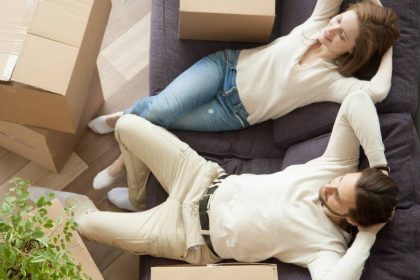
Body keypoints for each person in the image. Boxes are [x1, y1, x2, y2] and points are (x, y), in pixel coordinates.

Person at [29, 91, 398, 280]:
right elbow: (356, 100)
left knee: (88, 225)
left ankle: (115, 209)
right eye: (341, 181)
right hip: (201, 177)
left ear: (352, 221)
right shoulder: (334, 167)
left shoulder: (326, 248)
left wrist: (368, 236)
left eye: (338, 197)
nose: (329, 188)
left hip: (189, 234)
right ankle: (138, 197)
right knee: (126, 124)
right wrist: (378, 164)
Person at [88, 0, 400, 206]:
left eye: (342, 35)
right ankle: (122, 171)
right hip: (222, 68)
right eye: (339, 21)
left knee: (157, 115)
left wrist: (387, 49)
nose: (332, 30)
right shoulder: (317, 24)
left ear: (353, 51)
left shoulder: (333, 82)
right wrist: (373, 6)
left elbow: (377, 91)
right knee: (160, 111)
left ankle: (123, 124)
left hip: (230, 113)